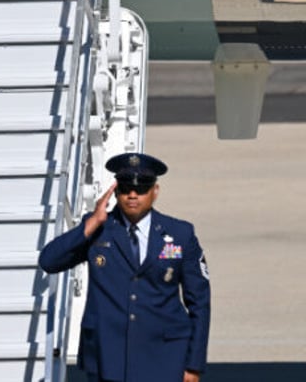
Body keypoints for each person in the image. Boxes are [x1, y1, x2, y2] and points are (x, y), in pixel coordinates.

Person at [39, 153, 211, 382]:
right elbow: (49, 261)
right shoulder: (98, 230)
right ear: (116, 191)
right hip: (109, 357)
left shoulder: (180, 234)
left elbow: (199, 302)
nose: (132, 195)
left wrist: (194, 364)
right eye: (126, 188)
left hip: (164, 357)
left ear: (155, 191)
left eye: (141, 189)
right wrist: (90, 224)